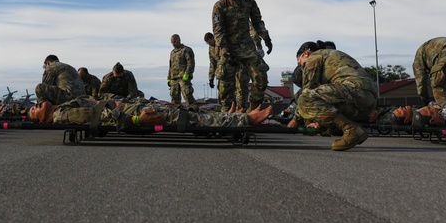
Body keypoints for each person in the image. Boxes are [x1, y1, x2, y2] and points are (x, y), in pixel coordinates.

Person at [290, 41, 376, 151]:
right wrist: (319, 123)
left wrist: (295, 120)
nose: (302, 68)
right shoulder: (330, 56)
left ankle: (351, 129)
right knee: (323, 102)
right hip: (367, 100)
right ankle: (355, 131)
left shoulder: (314, 57)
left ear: (305, 54)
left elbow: (308, 91)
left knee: (305, 99)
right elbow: (325, 102)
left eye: (300, 63)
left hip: (354, 90)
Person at [211, 0, 273, 111]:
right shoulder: (220, 6)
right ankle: (226, 114)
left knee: (261, 77)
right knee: (226, 84)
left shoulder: (249, 2)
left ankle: (252, 111)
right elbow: (218, 31)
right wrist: (225, 51)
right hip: (229, 48)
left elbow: (257, 21)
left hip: (247, 47)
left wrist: (266, 37)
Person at [27, 95, 273, 130]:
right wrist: (135, 119)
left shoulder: (63, 108)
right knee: (189, 118)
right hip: (134, 114)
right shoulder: (61, 117)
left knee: (184, 112)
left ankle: (236, 116)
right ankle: (244, 119)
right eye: (34, 109)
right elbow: (101, 119)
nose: (37, 104)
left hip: (133, 108)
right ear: (40, 119)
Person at [167, 34, 196, 105]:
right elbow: (171, 66)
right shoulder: (172, 52)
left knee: (188, 96)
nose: (173, 44)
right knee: (174, 98)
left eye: (175, 42)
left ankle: (195, 111)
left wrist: (187, 73)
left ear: (179, 40)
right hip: (174, 78)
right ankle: (177, 114)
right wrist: (169, 78)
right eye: (172, 42)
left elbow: (190, 63)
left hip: (183, 77)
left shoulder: (186, 50)